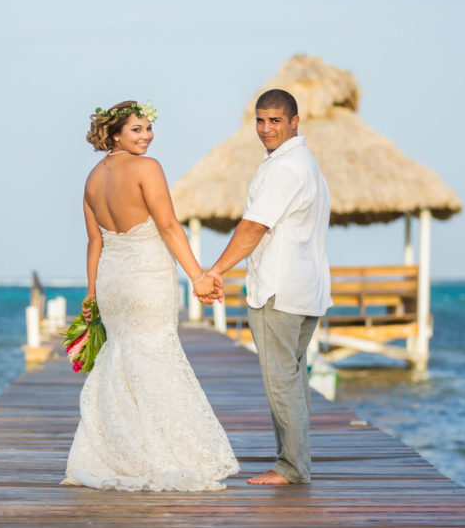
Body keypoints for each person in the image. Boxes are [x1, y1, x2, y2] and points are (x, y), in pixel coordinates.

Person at [62, 100, 239, 491]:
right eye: (137, 130)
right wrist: (198, 276)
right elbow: (169, 225)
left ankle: (118, 449)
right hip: (147, 277)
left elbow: (95, 242)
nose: (147, 136)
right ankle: (161, 454)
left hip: (112, 281)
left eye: (148, 128)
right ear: (115, 134)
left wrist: (90, 293)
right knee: (156, 355)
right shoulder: (148, 168)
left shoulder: (92, 178)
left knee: (122, 359)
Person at [202, 88, 331, 485]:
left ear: (295, 122)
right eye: (260, 120)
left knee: (281, 382)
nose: (266, 128)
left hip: (280, 290)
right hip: (304, 289)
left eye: (275, 120)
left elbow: (254, 227)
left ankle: (292, 468)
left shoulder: (286, 169)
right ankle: (295, 462)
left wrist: (216, 270)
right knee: (292, 380)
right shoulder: (302, 163)